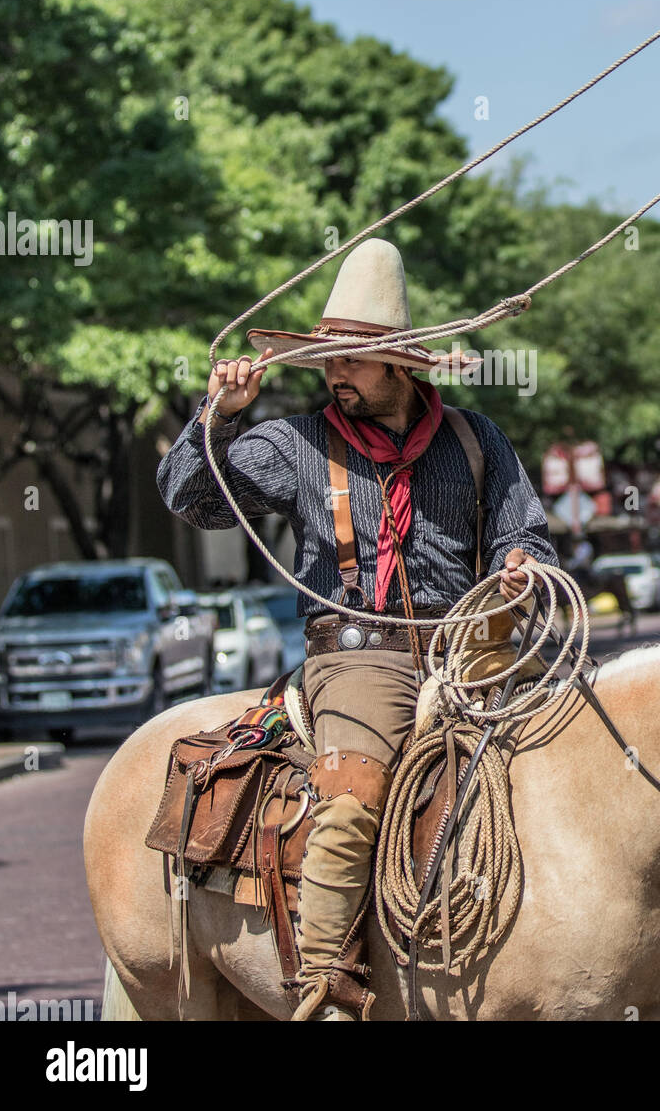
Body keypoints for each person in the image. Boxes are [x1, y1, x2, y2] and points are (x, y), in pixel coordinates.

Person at [155, 238, 557, 1021]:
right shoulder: (295, 443)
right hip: (359, 658)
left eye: (354, 360)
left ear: (398, 366)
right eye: (329, 361)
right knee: (353, 795)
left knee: (583, 756)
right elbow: (190, 501)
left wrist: (516, 568)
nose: (335, 373)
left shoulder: (477, 440)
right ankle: (325, 987)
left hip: (470, 646)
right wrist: (218, 416)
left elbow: (528, 539)